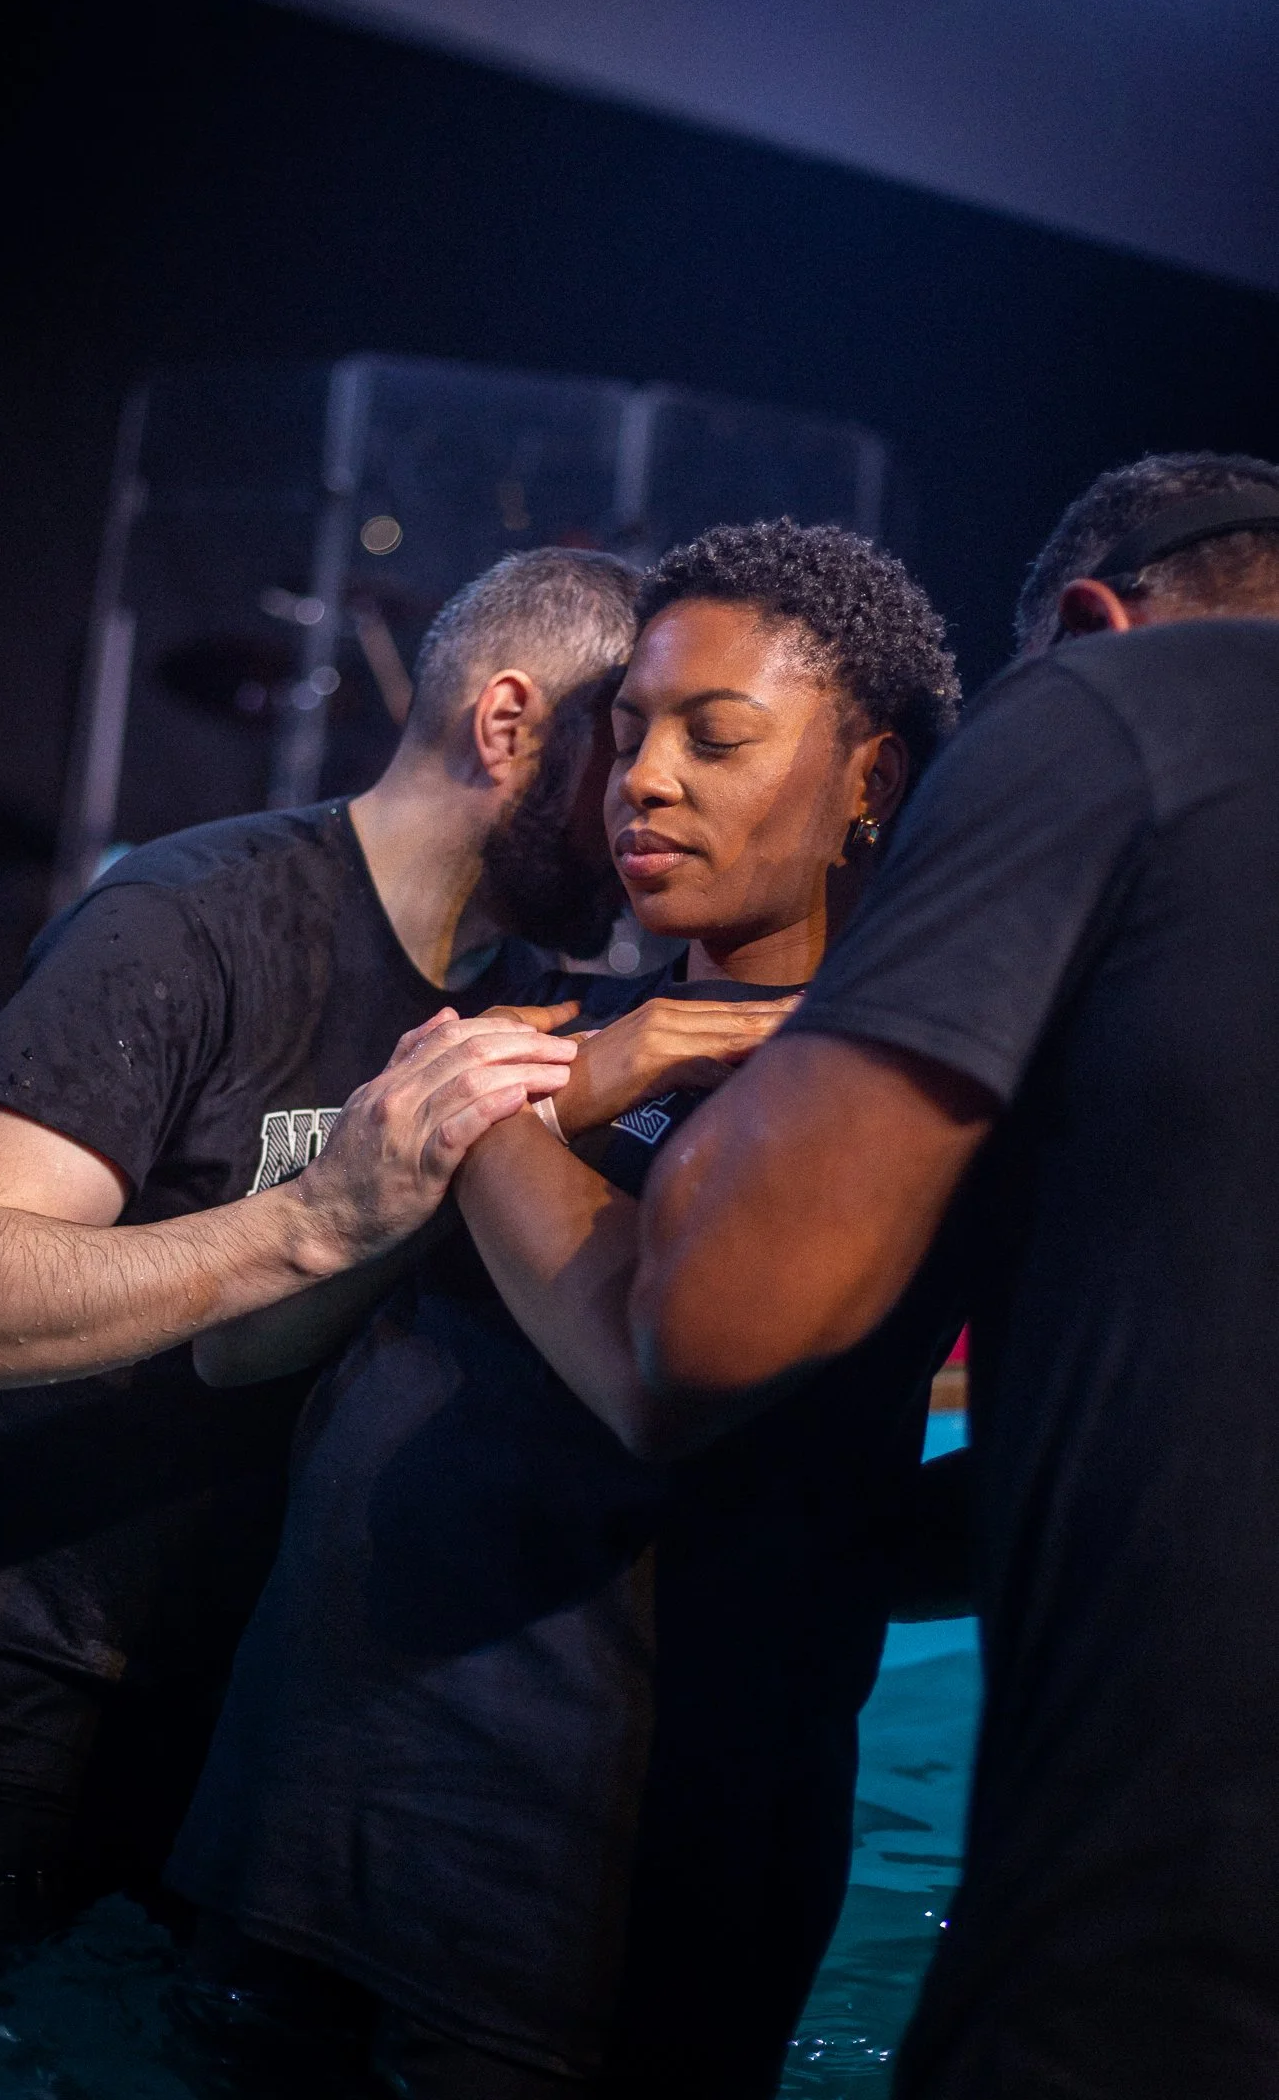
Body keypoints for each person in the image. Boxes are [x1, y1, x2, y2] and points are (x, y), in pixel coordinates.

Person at [167, 517, 964, 2099]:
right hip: (287, 1838)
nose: (641, 780)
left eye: (712, 736)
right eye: (630, 730)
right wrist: (543, 1080)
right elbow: (237, 1343)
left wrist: (479, 1115)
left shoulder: (886, 1080)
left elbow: (647, 1382)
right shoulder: (545, 1019)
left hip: (566, 1912)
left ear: (868, 778)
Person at [0, 549, 649, 1919]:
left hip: (256, 1700)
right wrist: (322, 1216)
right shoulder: (188, 917)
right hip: (16, 1689)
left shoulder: (524, 997)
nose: (643, 798)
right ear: (507, 723)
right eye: (621, 744)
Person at [629, 452, 1279, 2100]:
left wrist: (491, 1119)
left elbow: (711, 1320)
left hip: (1169, 1918)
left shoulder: (1113, 707)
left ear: (1089, 627)